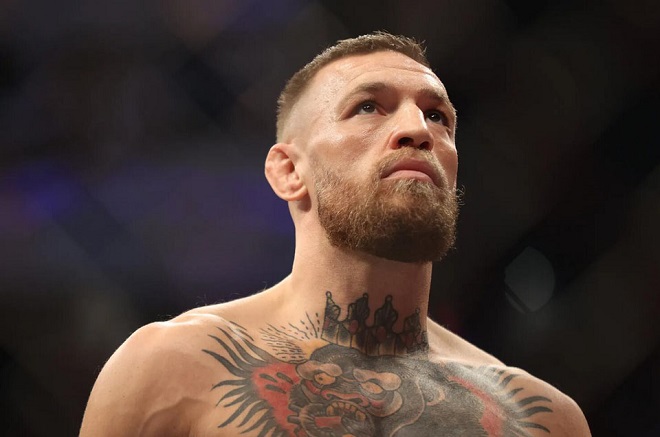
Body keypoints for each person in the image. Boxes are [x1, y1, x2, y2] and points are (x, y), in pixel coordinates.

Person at [80, 32, 591, 436]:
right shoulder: (172, 367)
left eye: (438, 116)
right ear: (289, 171)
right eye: (368, 107)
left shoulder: (540, 419)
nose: (418, 129)